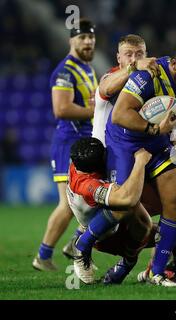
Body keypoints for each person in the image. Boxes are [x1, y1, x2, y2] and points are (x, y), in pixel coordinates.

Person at [106, 34, 176, 286]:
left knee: (174, 203)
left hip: (159, 142)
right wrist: (154, 129)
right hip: (126, 143)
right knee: (126, 212)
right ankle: (111, 255)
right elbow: (119, 115)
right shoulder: (148, 76)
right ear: (174, 65)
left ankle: (158, 271)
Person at [33, 18, 98, 271]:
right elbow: (61, 109)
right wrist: (95, 109)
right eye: (82, 37)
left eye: (90, 37)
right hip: (68, 142)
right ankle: (44, 255)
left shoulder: (87, 68)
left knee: (87, 200)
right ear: (71, 40)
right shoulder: (65, 71)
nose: (88, 41)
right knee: (69, 205)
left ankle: (72, 244)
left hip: (83, 140)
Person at [67, 137, 153, 284]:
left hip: (100, 218)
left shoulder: (80, 162)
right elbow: (127, 199)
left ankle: (147, 271)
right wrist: (140, 162)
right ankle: (83, 244)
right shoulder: (88, 185)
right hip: (105, 235)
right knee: (131, 211)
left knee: (164, 231)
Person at [92, 34, 160, 146]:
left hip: (129, 151)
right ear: (119, 58)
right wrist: (134, 67)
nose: (134, 59)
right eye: (129, 55)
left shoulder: (149, 80)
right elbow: (106, 88)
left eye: (139, 54)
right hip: (103, 152)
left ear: (146, 56)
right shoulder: (111, 76)